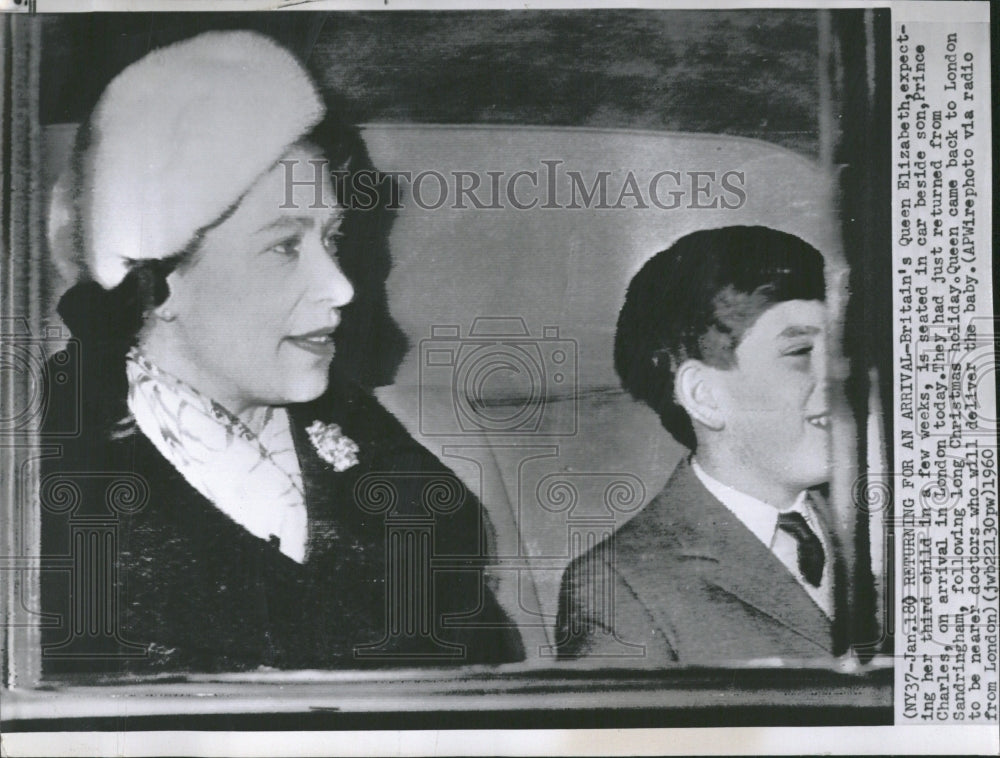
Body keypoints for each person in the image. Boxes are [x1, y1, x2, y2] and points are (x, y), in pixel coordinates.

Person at [39, 30, 522, 674]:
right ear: (160, 279)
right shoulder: (43, 484)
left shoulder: (385, 462)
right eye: (284, 246)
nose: (341, 287)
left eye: (333, 238)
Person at [556, 226, 846, 664]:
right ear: (705, 396)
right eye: (800, 352)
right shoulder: (620, 587)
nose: (840, 378)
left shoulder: (882, 523)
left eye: (841, 351)